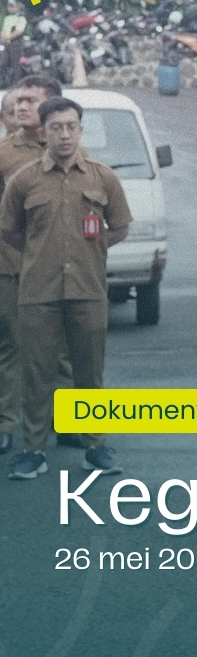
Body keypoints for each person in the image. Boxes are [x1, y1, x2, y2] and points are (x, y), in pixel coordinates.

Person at [2, 96, 132, 479]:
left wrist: (94, 249)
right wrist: (38, 253)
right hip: (38, 293)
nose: (64, 134)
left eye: (71, 127)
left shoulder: (101, 177)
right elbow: (8, 230)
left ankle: (96, 447)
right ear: (44, 132)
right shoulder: (24, 180)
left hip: (87, 290)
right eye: (56, 127)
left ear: (80, 130)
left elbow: (120, 226)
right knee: (37, 373)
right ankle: (33, 450)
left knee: (89, 372)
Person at [0, 75, 63, 455]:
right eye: (18, 101)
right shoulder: (4, 153)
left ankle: (69, 420)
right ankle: (6, 423)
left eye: (30, 100)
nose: (21, 106)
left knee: (65, 348)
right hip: (12, 266)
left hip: (62, 266)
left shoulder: (71, 151)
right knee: (12, 344)